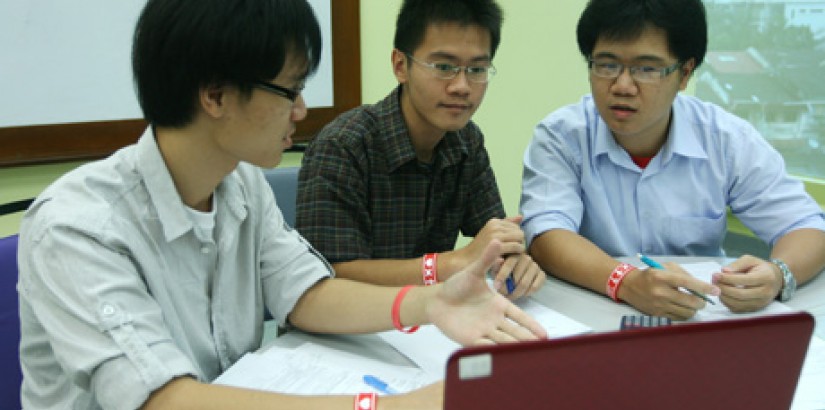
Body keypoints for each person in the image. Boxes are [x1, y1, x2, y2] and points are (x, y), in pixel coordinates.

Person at [16, 1, 547, 409]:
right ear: (216, 95)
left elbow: (307, 293)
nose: (302, 110)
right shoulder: (79, 228)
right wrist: (385, 405)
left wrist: (428, 304)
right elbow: (165, 400)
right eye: (290, 89)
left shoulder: (240, 184)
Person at [520, 0, 825, 320]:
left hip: (697, 315)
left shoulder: (725, 139)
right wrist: (625, 281)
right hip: (591, 311)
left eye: (646, 69)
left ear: (684, 73)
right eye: (607, 65)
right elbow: (546, 235)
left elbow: (807, 227)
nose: (622, 86)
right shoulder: (561, 137)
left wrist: (778, 275)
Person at [296, 0, 545, 299]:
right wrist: (452, 262)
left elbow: (492, 237)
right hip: (342, 334)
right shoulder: (343, 146)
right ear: (401, 66)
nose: (462, 86)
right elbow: (330, 275)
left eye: (477, 69)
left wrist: (512, 260)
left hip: (425, 325)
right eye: (444, 67)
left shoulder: (467, 142)